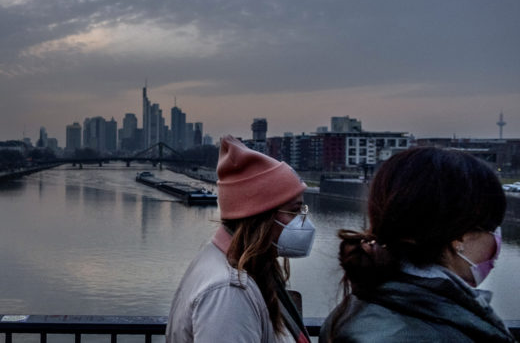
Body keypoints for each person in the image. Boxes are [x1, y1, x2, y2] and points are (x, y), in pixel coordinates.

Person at [320, 147, 515, 342]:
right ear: (460, 237)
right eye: (492, 228)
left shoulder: (355, 308)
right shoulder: (434, 329)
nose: (496, 240)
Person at [166, 135, 315, 342]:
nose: (302, 220)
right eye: (295, 210)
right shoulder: (228, 293)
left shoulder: (244, 268)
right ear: (261, 216)